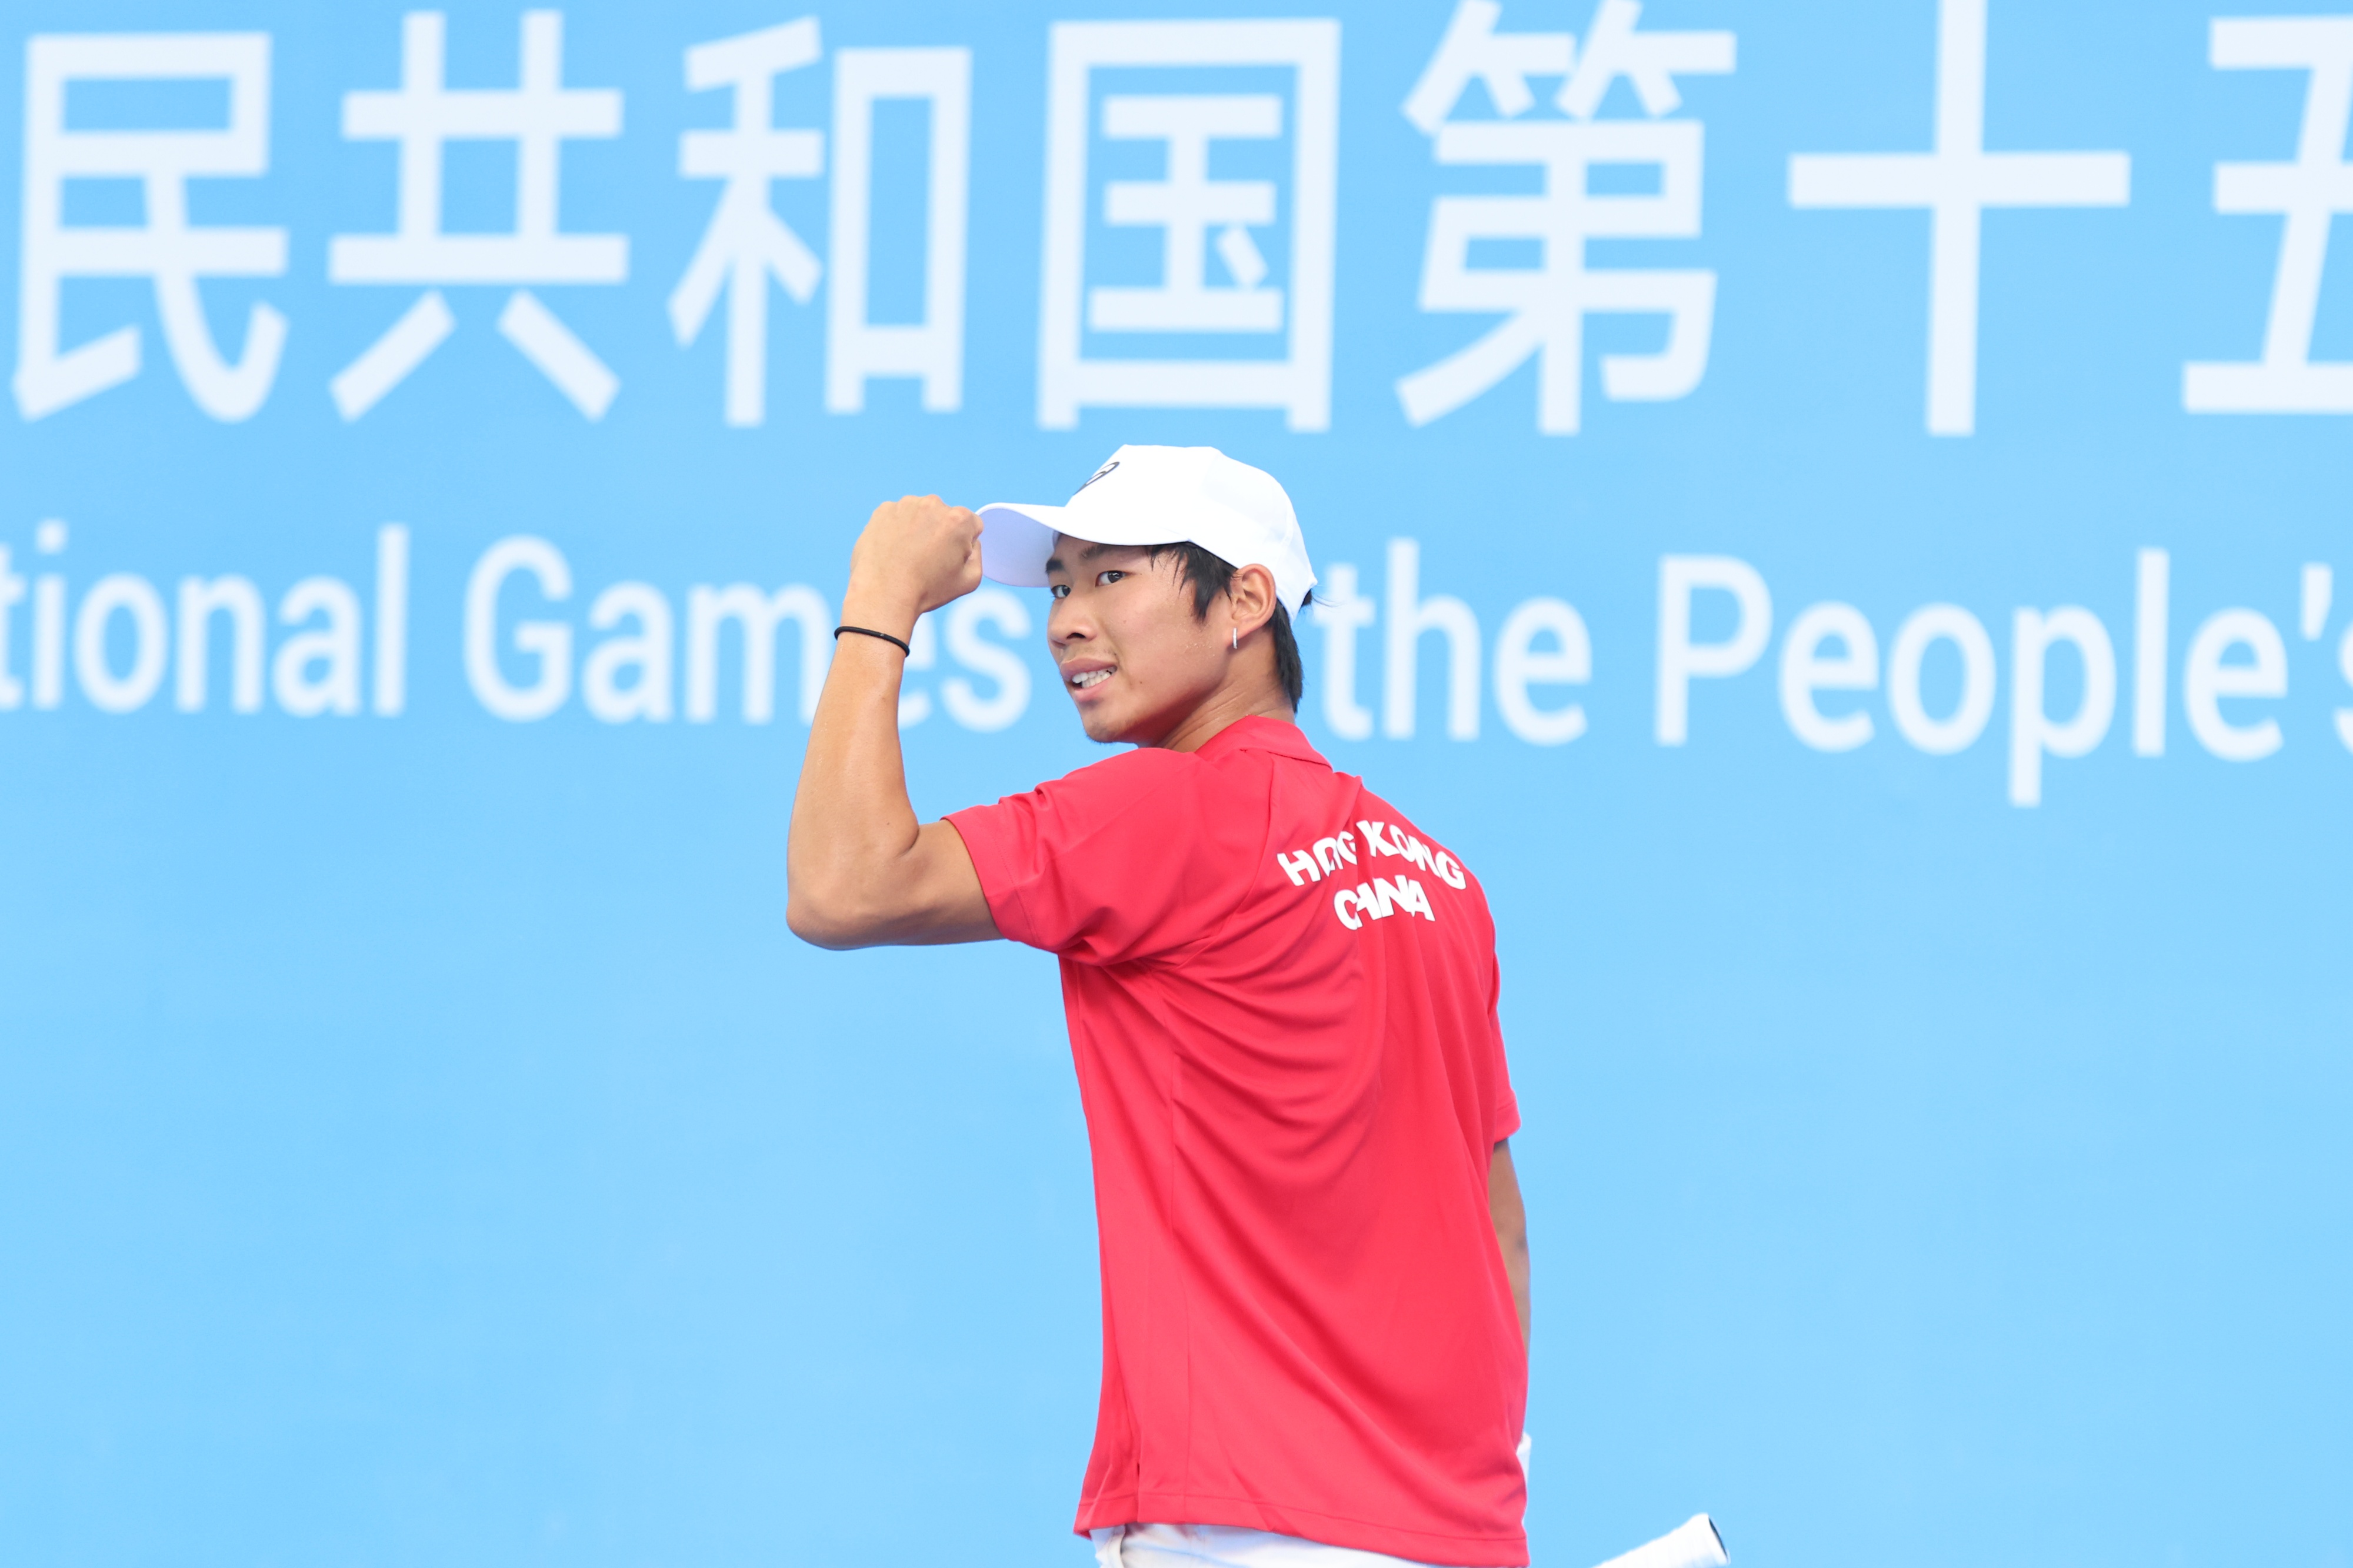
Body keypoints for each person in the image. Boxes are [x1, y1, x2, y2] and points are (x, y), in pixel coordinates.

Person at [787, 446, 1531, 1568]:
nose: (1066, 622)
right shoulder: (1440, 880)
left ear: (1245, 601)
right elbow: (1498, 1225)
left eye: (1111, 577)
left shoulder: (1168, 809)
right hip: (1455, 1530)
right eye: (1059, 586)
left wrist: (879, 600)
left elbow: (842, 884)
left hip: (1239, 1521)